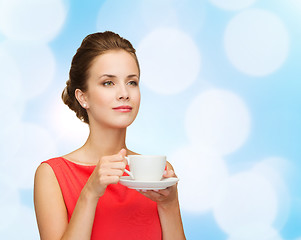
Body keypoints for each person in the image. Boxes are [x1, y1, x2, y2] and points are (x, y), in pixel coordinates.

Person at [34, 31, 186, 240]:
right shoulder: (52, 175)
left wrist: (169, 204)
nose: (124, 93)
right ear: (83, 97)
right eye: (108, 83)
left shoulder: (157, 175)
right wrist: (90, 193)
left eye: (132, 82)